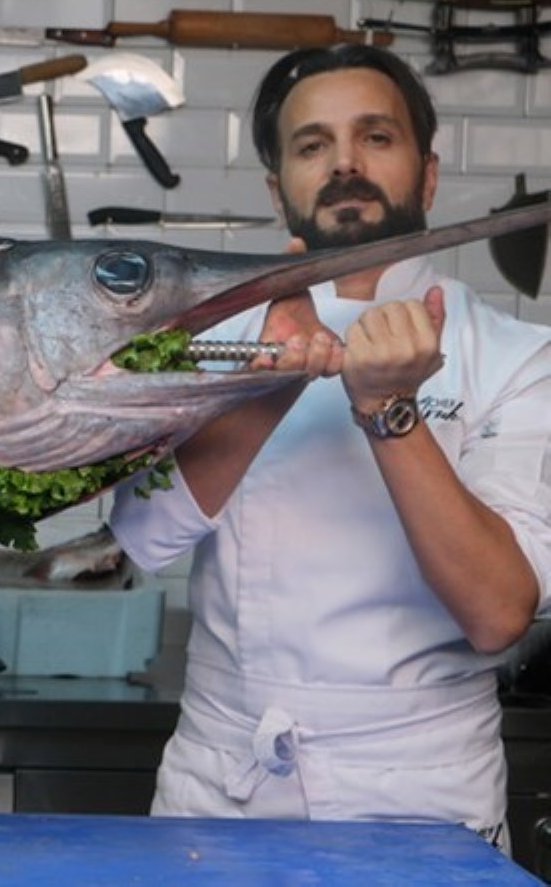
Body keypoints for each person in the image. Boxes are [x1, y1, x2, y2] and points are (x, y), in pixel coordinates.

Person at [110, 44, 551, 852]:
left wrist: (387, 408)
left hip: (420, 796)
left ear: (428, 175)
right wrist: (275, 375)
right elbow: (141, 536)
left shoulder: (521, 358)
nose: (344, 162)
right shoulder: (205, 341)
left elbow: (496, 614)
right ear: (280, 189)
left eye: (376, 137)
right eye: (313, 145)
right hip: (221, 790)